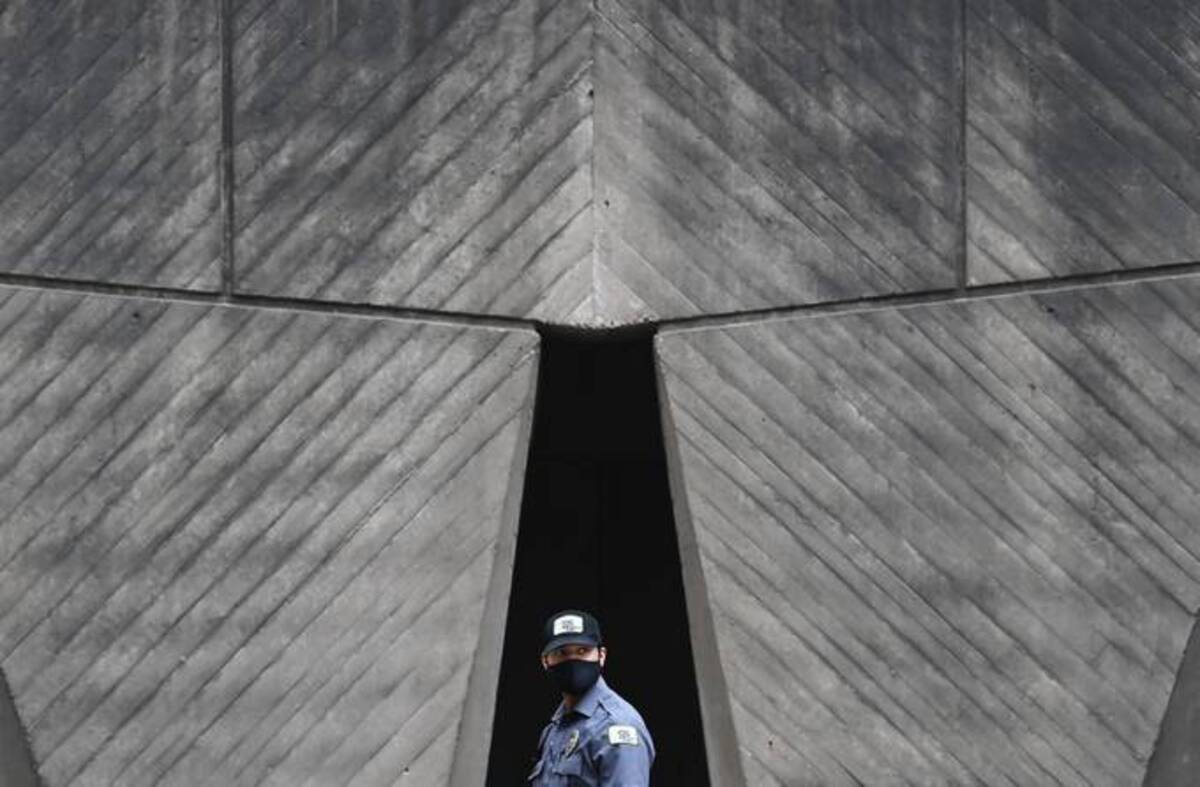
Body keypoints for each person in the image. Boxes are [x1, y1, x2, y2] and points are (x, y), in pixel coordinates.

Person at [527, 610, 655, 785]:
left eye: (582, 651)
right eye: (562, 653)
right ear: (545, 661)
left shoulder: (617, 726)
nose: (573, 660)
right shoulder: (554, 729)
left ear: (601, 656)